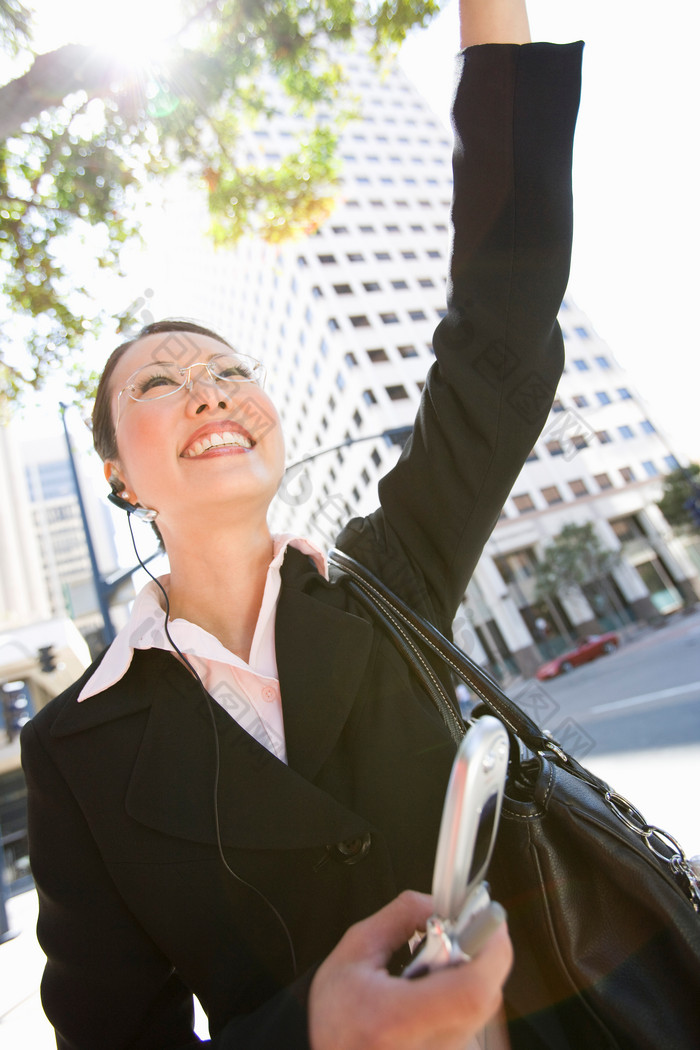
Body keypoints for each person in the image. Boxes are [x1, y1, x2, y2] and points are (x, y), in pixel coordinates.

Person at [21, 1, 582, 1047]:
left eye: (231, 370)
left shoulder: (387, 577)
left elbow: (499, 324)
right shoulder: (72, 749)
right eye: (162, 379)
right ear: (118, 473)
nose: (211, 389)